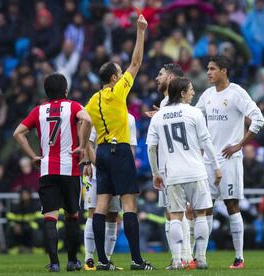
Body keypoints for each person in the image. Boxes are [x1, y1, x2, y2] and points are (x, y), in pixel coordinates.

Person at [83, 14, 153, 271]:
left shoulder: (93, 100)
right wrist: (141, 32)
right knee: (129, 205)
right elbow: (136, 62)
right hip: (120, 149)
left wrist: (83, 150)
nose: (122, 74)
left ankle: (102, 261)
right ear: (113, 78)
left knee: (101, 206)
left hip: (100, 152)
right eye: (119, 72)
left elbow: (83, 123)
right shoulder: (117, 91)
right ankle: (136, 260)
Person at [13, 73, 92, 272]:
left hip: (47, 169)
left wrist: (33, 156)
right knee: (73, 216)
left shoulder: (38, 110)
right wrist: (82, 146)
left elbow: (18, 133)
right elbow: (88, 120)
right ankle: (73, 261)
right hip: (70, 169)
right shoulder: (73, 106)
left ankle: (55, 263)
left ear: (46, 92)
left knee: (50, 218)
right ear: (66, 90)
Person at [195, 55, 264, 269]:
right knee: (204, 206)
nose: (208, 73)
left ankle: (239, 258)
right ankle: (201, 258)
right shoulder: (207, 95)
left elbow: (259, 119)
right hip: (209, 159)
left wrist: (240, 144)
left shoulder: (237, 93)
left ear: (224, 71)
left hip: (229, 159)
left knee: (231, 204)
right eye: (208, 69)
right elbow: (193, 117)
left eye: (213, 69)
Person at [147, 77, 221, 270]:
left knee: (175, 217)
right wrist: (216, 166)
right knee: (201, 214)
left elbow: (151, 148)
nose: (193, 93)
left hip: (173, 175)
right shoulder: (194, 112)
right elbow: (206, 141)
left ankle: (178, 260)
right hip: (196, 172)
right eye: (190, 90)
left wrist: (156, 172)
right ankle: (201, 258)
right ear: (181, 93)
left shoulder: (159, 116)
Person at [147, 63, 196, 267]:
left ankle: (183, 257)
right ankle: (185, 256)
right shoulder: (166, 103)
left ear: (170, 79)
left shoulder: (174, 104)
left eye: (160, 74)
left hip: (173, 166)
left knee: (176, 212)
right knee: (175, 212)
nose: (157, 78)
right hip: (175, 165)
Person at [83, 113, 137, 271]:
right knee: (93, 211)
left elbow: (130, 148)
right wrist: (95, 165)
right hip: (96, 173)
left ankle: (106, 260)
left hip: (118, 173)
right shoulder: (98, 114)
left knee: (113, 215)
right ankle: (89, 258)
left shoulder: (129, 118)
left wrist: (126, 171)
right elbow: (89, 143)